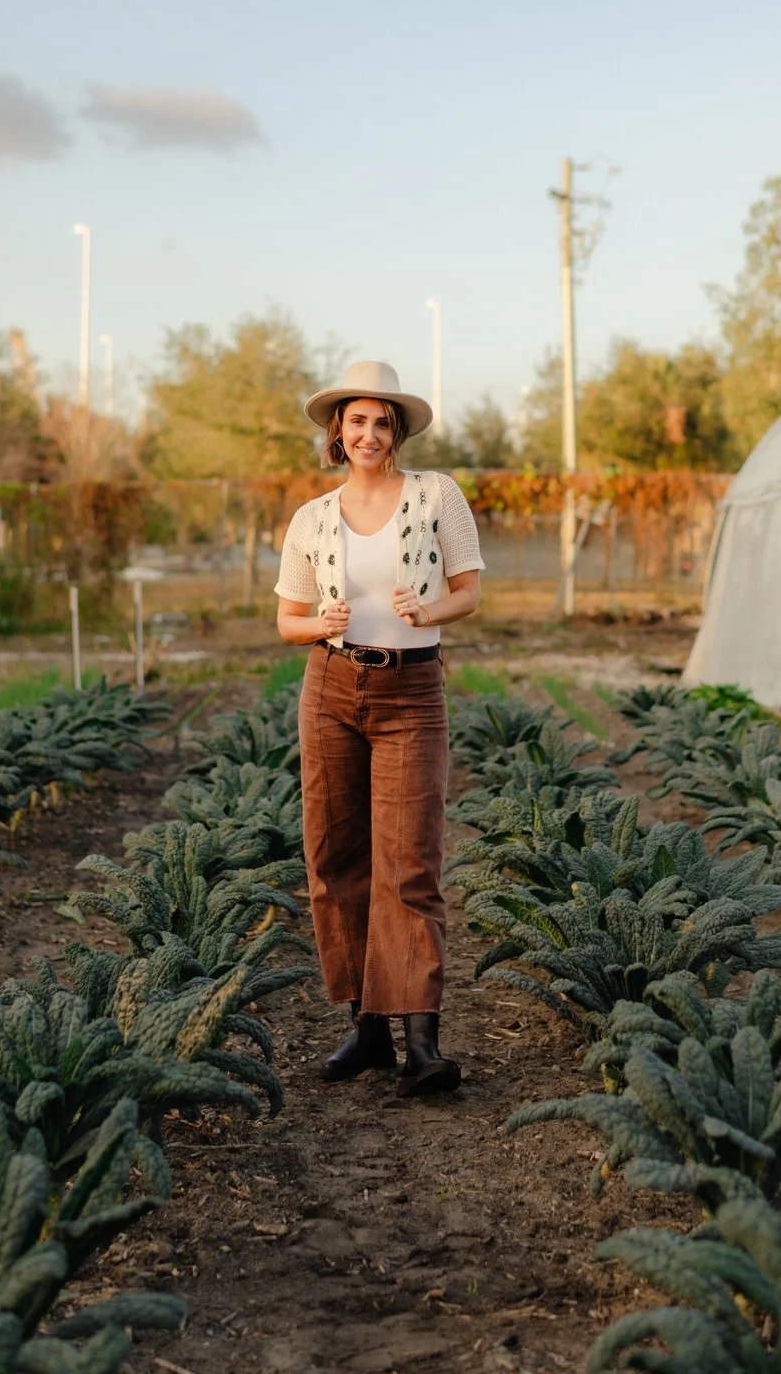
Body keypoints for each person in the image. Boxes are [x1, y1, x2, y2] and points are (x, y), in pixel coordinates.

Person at [275, 360, 484, 1095]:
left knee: (410, 862)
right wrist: (315, 626)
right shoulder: (311, 517)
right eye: (356, 420)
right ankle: (365, 1029)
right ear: (338, 431)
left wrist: (427, 612)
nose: (369, 433)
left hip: (410, 692)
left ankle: (421, 1041)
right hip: (330, 685)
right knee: (334, 856)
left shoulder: (435, 496)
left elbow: (468, 590)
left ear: (395, 432)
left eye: (382, 422)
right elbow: (285, 620)